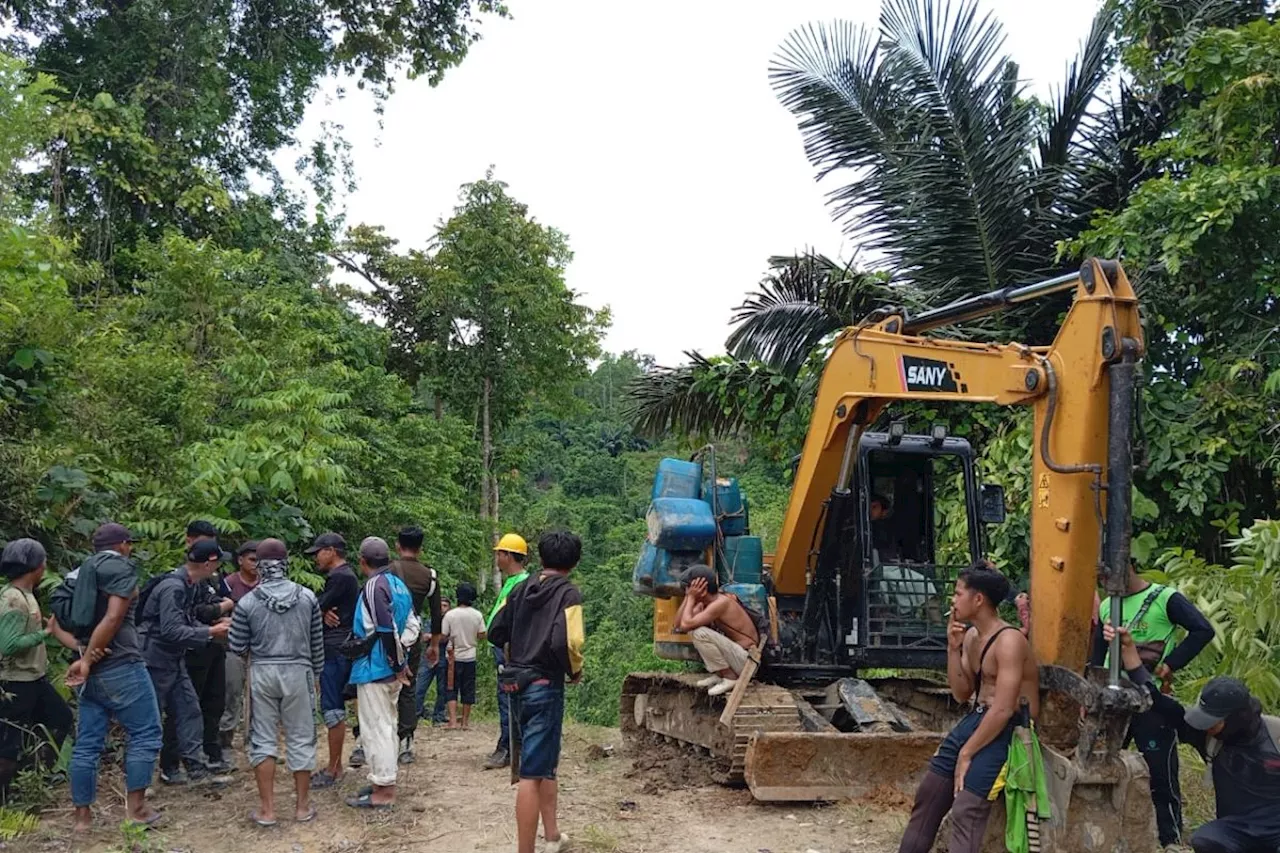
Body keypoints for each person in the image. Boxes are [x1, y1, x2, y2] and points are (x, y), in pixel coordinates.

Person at [898, 560, 1039, 853]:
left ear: (978, 599)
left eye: (958, 592)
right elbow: (962, 693)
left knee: (966, 809)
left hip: (1008, 730)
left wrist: (967, 753)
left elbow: (1003, 709)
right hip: (976, 720)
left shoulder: (1009, 641)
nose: (952, 599)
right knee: (929, 795)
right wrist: (953, 648)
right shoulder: (973, 636)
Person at [1107, 624, 1280, 853]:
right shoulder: (1210, 738)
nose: (1206, 727)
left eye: (1213, 722)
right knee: (1204, 840)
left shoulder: (1275, 735)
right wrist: (1129, 652)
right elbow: (1157, 701)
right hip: (1237, 829)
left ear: (1237, 717)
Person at [1092, 562, 1216, 847]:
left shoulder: (1165, 598)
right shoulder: (1108, 605)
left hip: (1151, 700)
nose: (1105, 582)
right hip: (1113, 700)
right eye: (1100, 578)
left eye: (1107, 575)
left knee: (1160, 773)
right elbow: (1098, 653)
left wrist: (1172, 664)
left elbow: (1202, 630)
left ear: (1129, 566)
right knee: (1105, 766)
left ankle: (1169, 838)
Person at [488, 530, 585, 853]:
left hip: (517, 683)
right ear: (573, 563)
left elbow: (495, 630)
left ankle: (553, 835)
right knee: (532, 773)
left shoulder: (520, 589)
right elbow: (567, 642)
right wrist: (574, 669)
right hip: (545, 684)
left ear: (540, 558)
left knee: (544, 762)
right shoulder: (568, 594)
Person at [65, 523, 163, 832]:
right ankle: (137, 810)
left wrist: (84, 657)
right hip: (121, 665)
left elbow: (62, 617)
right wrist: (88, 659)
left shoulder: (80, 574)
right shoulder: (119, 569)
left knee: (86, 744)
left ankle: (82, 818)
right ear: (121, 545)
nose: (130, 549)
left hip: (91, 669)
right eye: (129, 544)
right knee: (146, 733)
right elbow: (113, 617)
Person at [228, 538, 325, 826]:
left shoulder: (247, 602)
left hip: (262, 672)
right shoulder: (307, 597)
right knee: (301, 736)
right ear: (286, 564)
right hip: (300, 672)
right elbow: (317, 644)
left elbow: (236, 645)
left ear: (258, 566)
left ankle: (268, 810)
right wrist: (316, 675)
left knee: (263, 739)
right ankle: (302, 807)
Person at [142, 539, 233, 786]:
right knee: (150, 719)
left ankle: (194, 768)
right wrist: (210, 633)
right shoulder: (174, 587)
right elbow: (171, 630)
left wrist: (212, 627)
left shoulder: (189, 584)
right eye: (216, 563)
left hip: (174, 658)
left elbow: (186, 622)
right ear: (208, 563)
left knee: (189, 709)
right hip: (155, 660)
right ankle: (143, 780)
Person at [0, 539, 76, 801]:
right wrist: (44, 633)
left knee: (60, 719)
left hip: (34, 678)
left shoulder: (25, 595)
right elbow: (8, 645)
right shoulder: (14, 600)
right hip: (16, 681)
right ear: (36, 567)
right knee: (8, 745)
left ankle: (31, 780)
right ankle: (7, 799)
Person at [161, 520, 235, 775]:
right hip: (191, 649)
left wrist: (218, 610)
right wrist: (220, 610)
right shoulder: (179, 581)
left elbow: (221, 600)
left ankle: (207, 754)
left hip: (213, 645)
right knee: (184, 707)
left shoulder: (212, 575)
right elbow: (199, 611)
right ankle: (173, 763)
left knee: (214, 703)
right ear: (189, 541)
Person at [344, 536, 412, 809]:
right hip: (389, 667)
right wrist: (402, 660)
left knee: (377, 729)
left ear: (362, 561)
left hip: (376, 669)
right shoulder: (399, 586)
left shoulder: (374, 586)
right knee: (387, 726)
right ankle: (380, 782)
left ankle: (384, 790)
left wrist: (395, 665)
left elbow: (385, 628)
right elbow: (412, 625)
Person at [306, 531, 359, 789]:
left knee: (333, 707)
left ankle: (334, 767)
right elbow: (321, 608)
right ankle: (335, 764)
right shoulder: (345, 576)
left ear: (331, 551)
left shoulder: (340, 577)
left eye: (318, 551)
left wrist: (321, 609)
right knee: (334, 706)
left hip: (336, 649)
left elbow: (312, 607)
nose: (316, 557)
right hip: (340, 646)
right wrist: (324, 610)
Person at [387, 525, 442, 764]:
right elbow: (436, 615)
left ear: (398, 546)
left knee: (380, 684)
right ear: (420, 548)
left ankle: (370, 740)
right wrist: (435, 645)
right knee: (408, 686)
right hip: (413, 639)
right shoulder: (429, 575)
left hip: (385, 636)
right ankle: (406, 741)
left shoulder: (386, 571)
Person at [673, 565, 758, 697]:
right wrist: (688, 597)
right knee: (694, 630)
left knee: (699, 632)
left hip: (747, 662)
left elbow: (686, 625)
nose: (688, 591)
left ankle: (730, 677)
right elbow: (678, 625)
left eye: (689, 588)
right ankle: (721, 674)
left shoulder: (720, 603)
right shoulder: (704, 604)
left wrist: (691, 598)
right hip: (736, 657)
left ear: (702, 588)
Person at [484, 533, 529, 770]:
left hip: (509, 651)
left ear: (509, 556)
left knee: (509, 698)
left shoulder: (520, 584)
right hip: (502, 648)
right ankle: (510, 746)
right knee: (507, 698)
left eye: (499, 554)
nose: (497, 558)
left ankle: (509, 748)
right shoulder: (512, 582)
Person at [219, 540, 259, 750]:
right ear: (240, 560)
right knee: (231, 694)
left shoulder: (265, 584)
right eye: (252, 559)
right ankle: (224, 743)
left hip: (260, 650)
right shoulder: (228, 583)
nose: (256, 564)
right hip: (233, 647)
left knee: (259, 698)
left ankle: (255, 741)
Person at [442, 582, 485, 730]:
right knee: (468, 688)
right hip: (470, 656)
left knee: (451, 687)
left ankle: (453, 721)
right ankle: (465, 722)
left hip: (452, 657)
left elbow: (444, 634)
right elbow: (482, 634)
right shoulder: (477, 615)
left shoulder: (450, 615)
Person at [415, 598, 451, 725]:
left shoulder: (450, 621)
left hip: (444, 656)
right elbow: (423, 637)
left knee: (443, 689)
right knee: (420, 686)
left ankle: (439, 715)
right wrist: (436, 637)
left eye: (445, 605)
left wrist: (432, 637)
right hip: (428, 656)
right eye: (440, 605)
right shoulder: (430, 620)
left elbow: (447, 638)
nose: (442, 608)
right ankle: (416, 713)